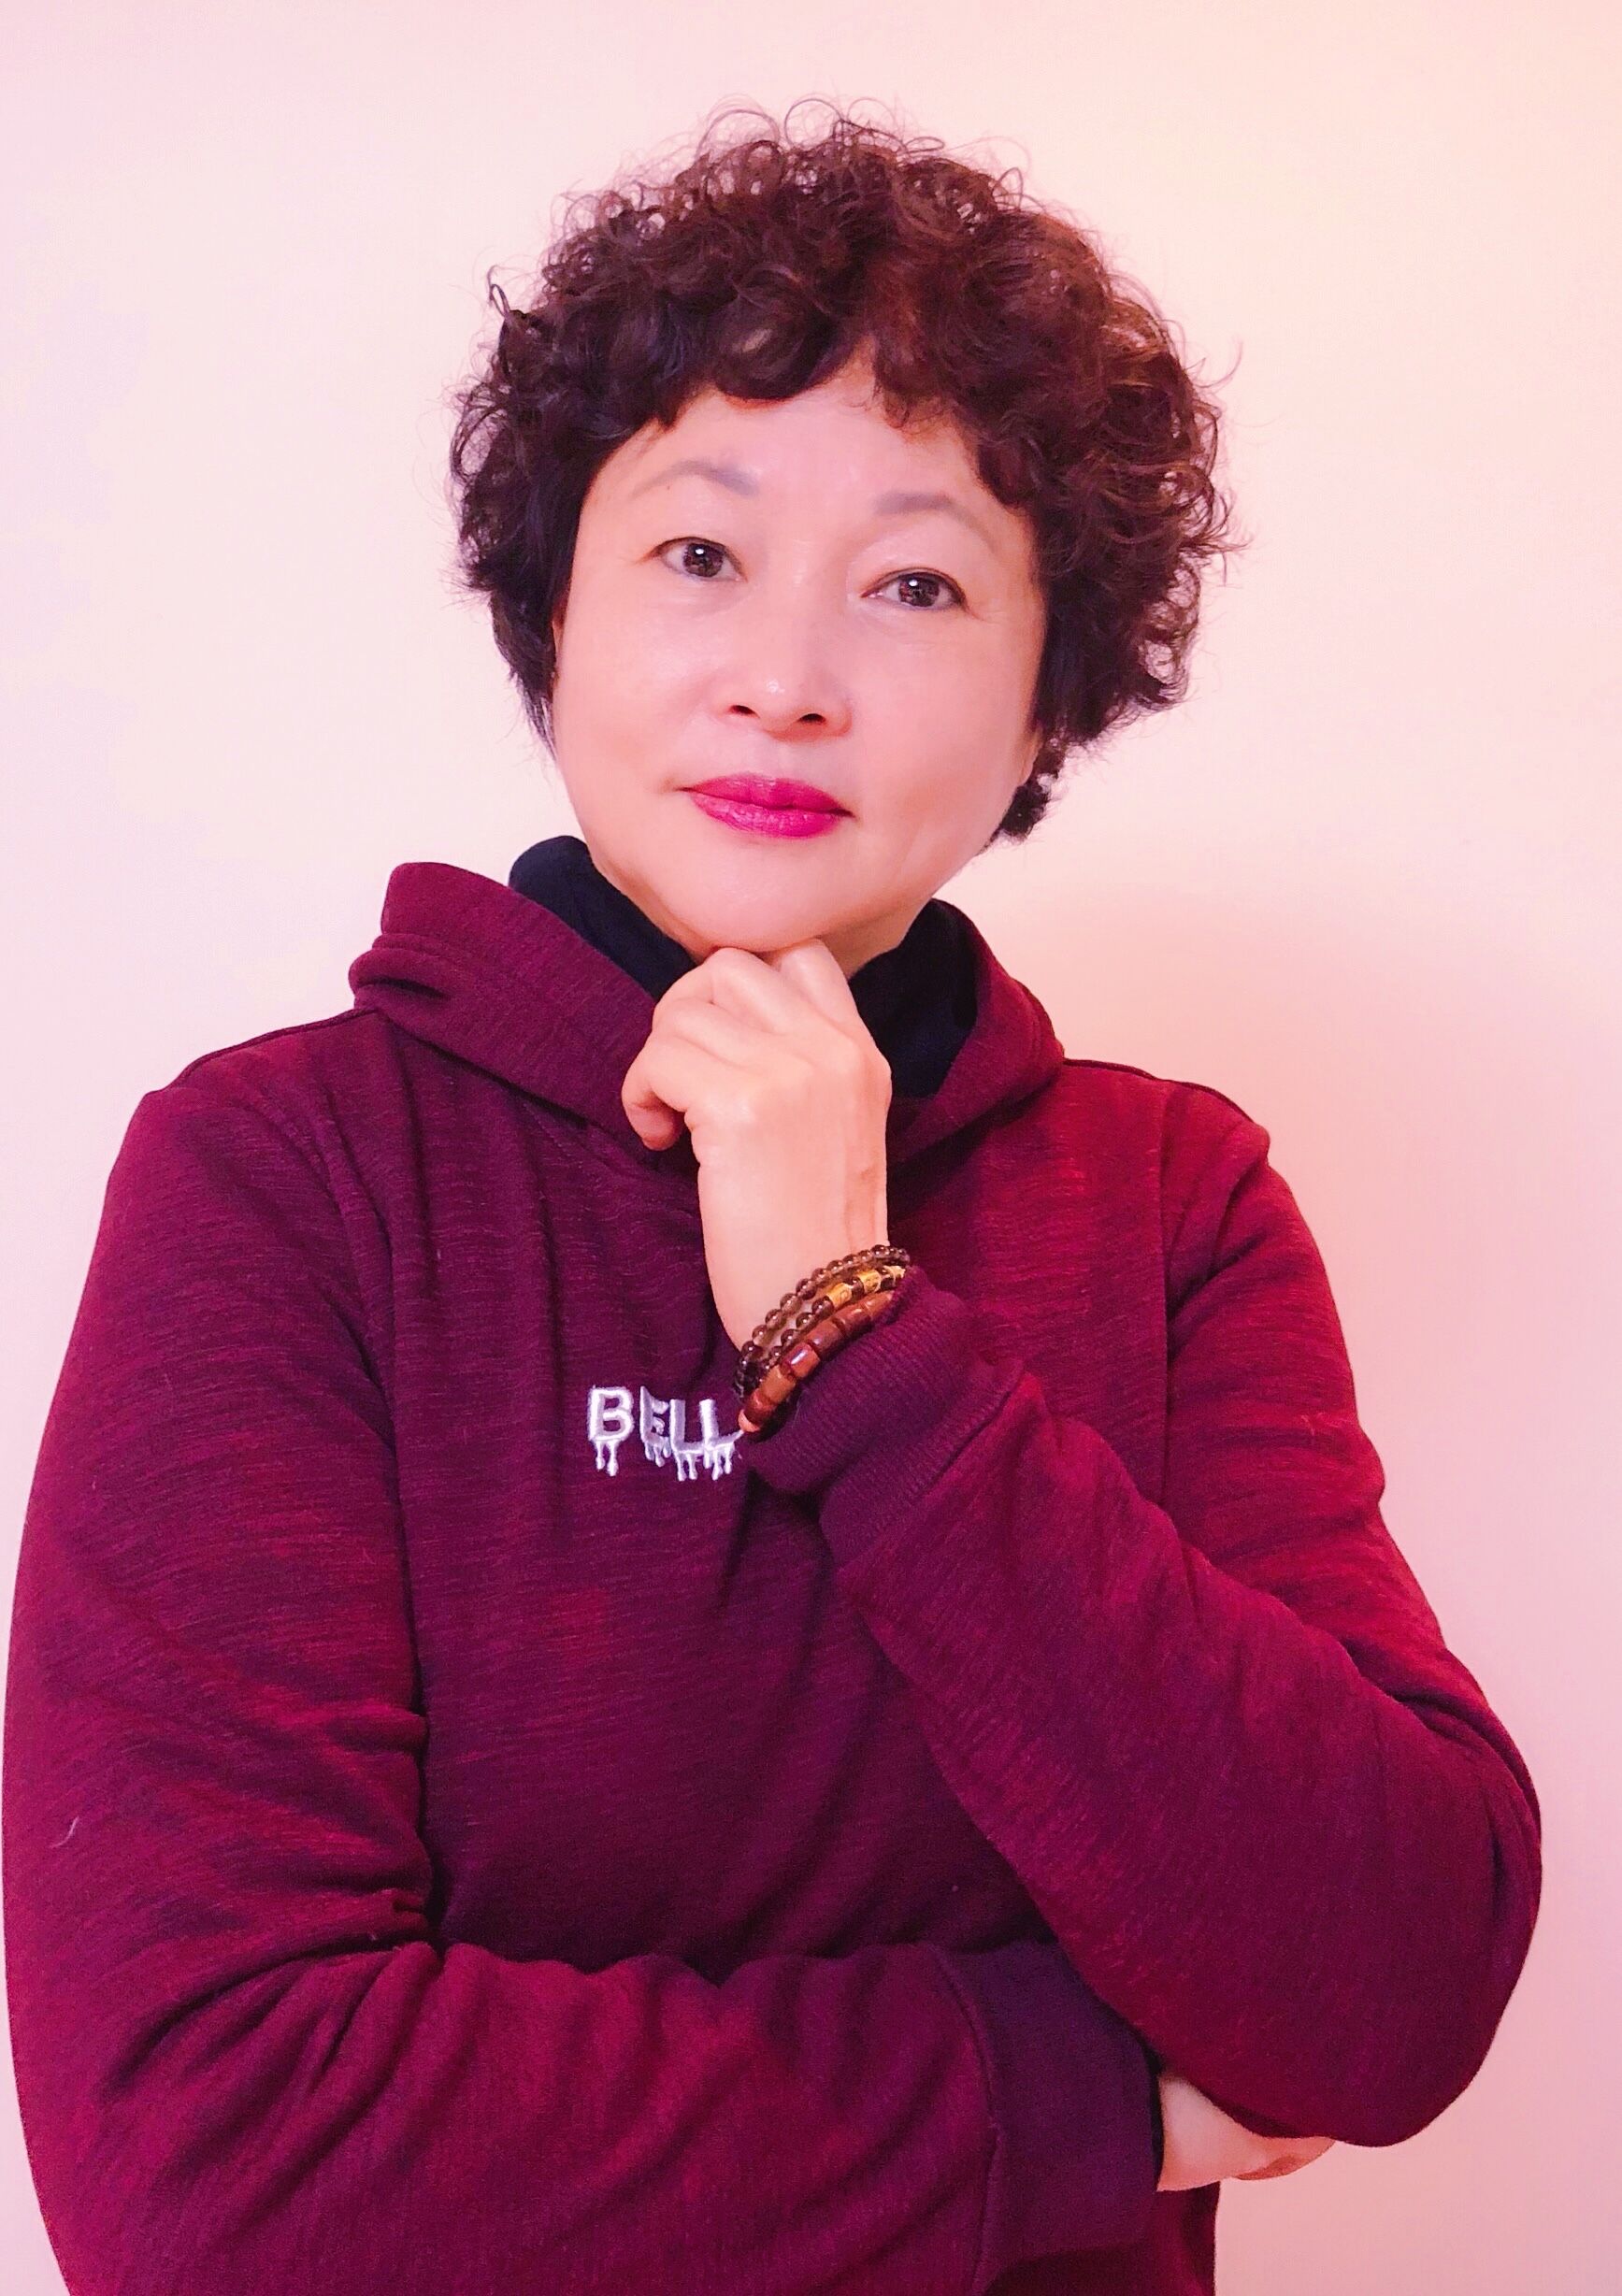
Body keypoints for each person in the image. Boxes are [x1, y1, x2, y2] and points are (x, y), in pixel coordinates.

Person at [3, 100, 1540, 2295]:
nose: (787, 679)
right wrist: (1075, 2103)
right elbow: (213, 2164)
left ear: (1049, 708)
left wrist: (853, 1325)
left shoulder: (1169, 1204)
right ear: (548, 615)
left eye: (917, 584)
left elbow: (1382, 1989)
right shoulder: (288, 1176)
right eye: (697, 556)